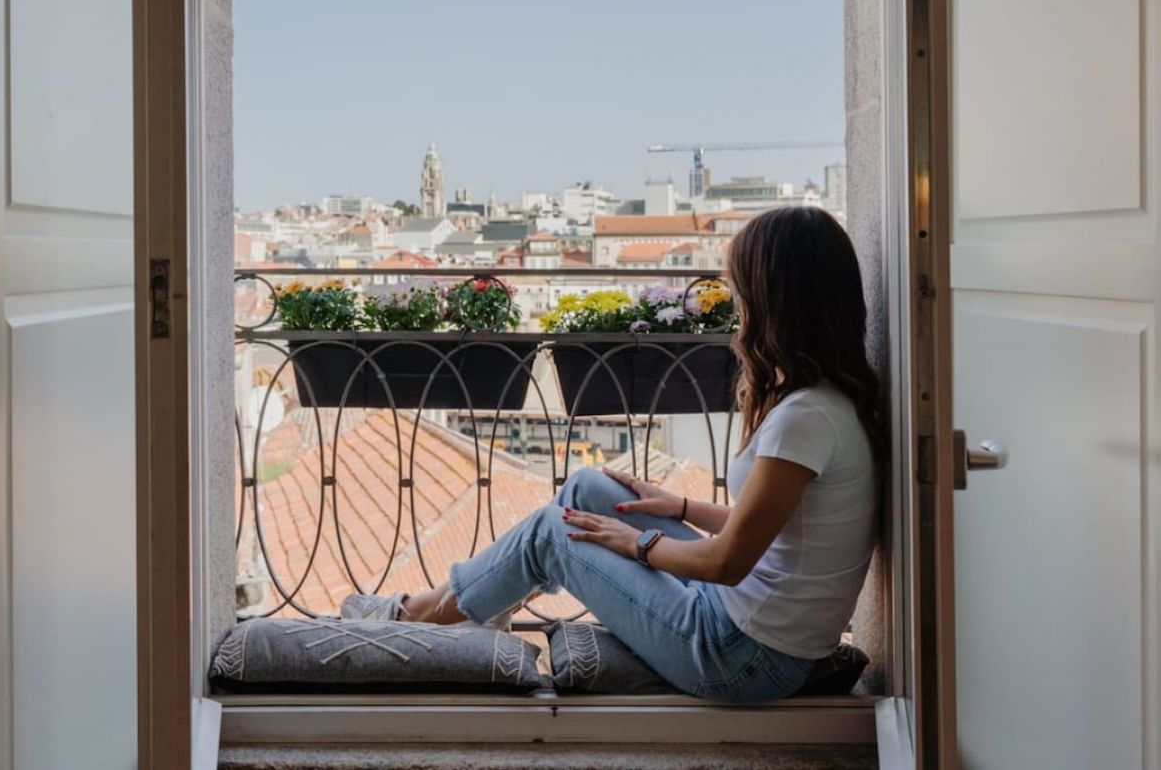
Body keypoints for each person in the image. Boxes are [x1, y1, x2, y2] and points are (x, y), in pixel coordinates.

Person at [342, 206, 882, 701]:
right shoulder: (826, 402)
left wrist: (639, 543)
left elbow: (728, 560)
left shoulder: (807, 417)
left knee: (552, 533)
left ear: (776, 301)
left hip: (740, 656)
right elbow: (780, 529)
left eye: (740, 291)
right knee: (590, 491)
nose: (736, 305)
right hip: (745, 624)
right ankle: (479, 613)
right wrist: (682, 508)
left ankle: (418, 617)